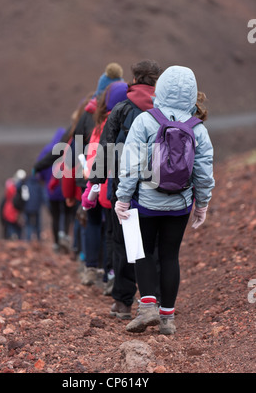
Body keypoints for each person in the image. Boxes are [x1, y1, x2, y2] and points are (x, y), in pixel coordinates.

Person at [114, 65, 215, 335]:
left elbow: (131, 166)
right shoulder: (198, 129)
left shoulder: (146, 120)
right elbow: (204, 173)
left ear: (161, 90)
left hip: (145, 202)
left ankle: (147, 307)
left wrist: (123, 198)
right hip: (179, 206)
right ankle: (168, 318)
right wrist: (202, 204)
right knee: (170, 256)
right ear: (193, 93)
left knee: (142, 252)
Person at [88, 59, 163, 319]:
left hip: (124, 190)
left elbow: (105, 150)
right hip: (160, 188)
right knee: (153, 246)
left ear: (135, 78)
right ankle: (158, 302)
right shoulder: (167, 107)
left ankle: (122, 303)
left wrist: (95, 185)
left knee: (124, 245)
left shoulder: (121, 109)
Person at [81, 81, 129, 289]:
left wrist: (90, 184)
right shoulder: (128, 119)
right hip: (116, 184)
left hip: (100, 183)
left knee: (103, 229)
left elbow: (93, 155)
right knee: (115, 233)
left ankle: (101, 271)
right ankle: (114, 276)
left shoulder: (100, 123)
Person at [2, 169, 27, 240]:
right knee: (17, 229)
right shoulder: (23, 189)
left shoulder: (11, 188)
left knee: (12, 228)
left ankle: (13, 239)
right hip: (16, 212)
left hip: (10, 211)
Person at [22, 173, 45, 242]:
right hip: (36, 208)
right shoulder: (38, 185)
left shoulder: (26, 184)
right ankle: (38, 239)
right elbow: (42, 196)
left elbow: (23, 197)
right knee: (37, 224)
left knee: (28, 224)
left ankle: (28, 239)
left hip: (27, 208)